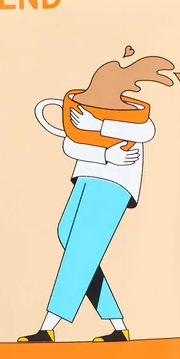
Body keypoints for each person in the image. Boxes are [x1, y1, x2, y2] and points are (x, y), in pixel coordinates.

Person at [18, 102, 155, 343]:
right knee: (69, 237)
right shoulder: (87, 101)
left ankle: (48, 327)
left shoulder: (132, 110)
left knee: (80, 251)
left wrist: (97, 125)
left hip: (114, 181)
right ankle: (119, 327)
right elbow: (70, 144)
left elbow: (146, 131)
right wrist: (105, 154)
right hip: (87, 174)